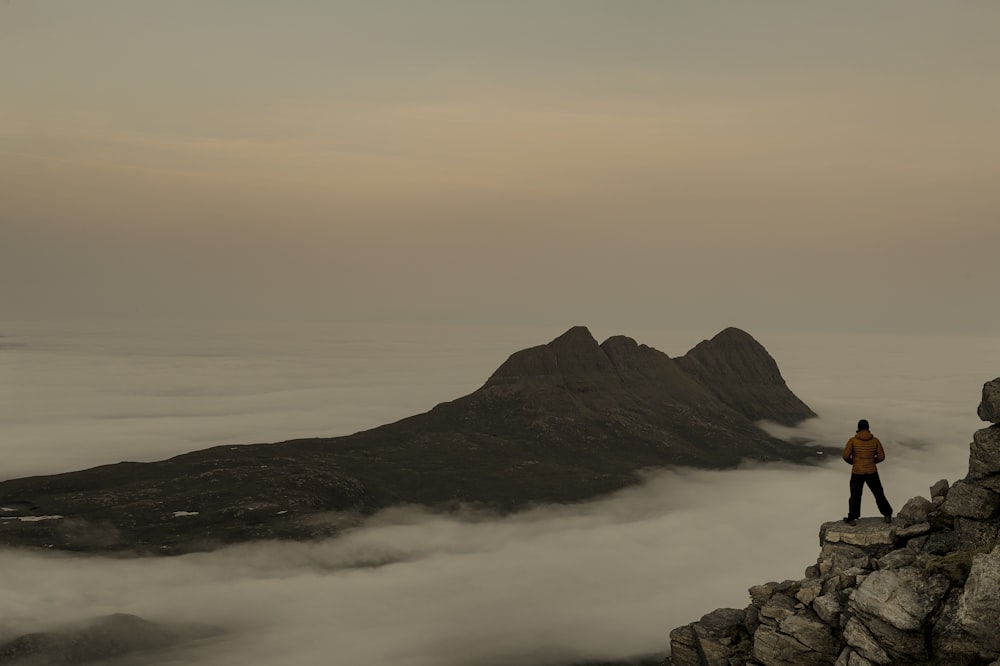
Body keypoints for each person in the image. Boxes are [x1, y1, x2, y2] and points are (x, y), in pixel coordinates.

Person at [842, 419, 893, 525]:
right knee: (878, 493)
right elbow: (881, 456)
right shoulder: (875, 441)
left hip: (857, 472)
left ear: (858, 428)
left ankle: (852, 518)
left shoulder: (852, 441)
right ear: (868, 428)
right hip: (872, 471)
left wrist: (854, 462)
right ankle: (887, 514)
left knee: (855, 495)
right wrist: (872, 462)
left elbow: (845, 456)